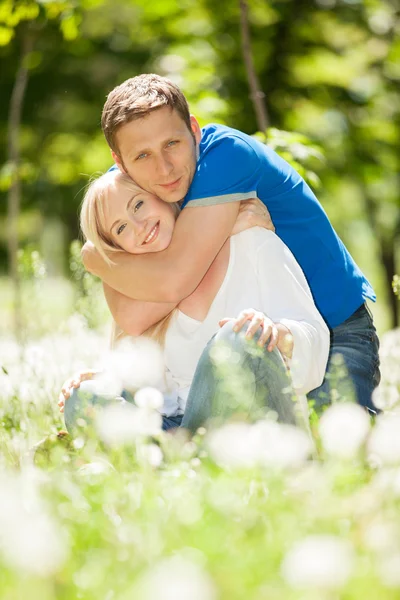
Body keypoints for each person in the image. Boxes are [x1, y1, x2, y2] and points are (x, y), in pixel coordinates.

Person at [83, 74, 380, 413]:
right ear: (119, 162)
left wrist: (101, 258)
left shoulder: (225, 156)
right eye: (142, 156)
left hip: (331, 328)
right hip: (250, 340)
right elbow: (131, 317)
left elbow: (172, 281)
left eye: (172, 144)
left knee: (344, 455)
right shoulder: (125, 193)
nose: (163, 168)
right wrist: (94, 255)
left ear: (194, 130)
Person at [59, 170, 329, 433]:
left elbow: (315, 341)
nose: (139, 226)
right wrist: (111, 383)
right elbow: (161, 402)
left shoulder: (250, 240)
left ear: (161, 195)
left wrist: (278, 335)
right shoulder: (142, 295)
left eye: (138, 205)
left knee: (238, 338)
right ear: (119, 247)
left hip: (254, 434)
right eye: (121, 228)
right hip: (187, 432)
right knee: (82, 399)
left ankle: (194, 466)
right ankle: (181, 466)